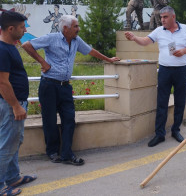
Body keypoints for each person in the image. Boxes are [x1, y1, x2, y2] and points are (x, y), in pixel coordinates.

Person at [22, 15, 120, 166]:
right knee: (50, 120)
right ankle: (53, 152)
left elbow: (91, 51)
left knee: (69, 119)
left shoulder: (76, 40)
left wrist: (109, 59)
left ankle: (67, 153)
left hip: (65, 87)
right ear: (66, 28)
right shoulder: (52, 38)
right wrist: (42, 62)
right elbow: (26, 45)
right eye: (76, 26)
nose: (78, 29)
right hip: (49, 85)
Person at [125, 6, 186, 147]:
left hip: (181, 70)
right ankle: (160, 134)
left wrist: (184, 51)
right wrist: (134, 38)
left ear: (173, 17)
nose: (162, 20)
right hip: (165, 70)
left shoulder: (185, 29)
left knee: (180, 101)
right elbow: (146, 41)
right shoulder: (159, 31)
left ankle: (176, 130)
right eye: (161, 17)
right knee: (162, 102)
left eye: (165, 17)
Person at [0, 11, 37, 196]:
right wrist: (15, 106)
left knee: (14, 142)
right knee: (7, 145)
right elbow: (2, 82)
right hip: (10, 105)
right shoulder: (2, 50)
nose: (25, 30)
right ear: (11, 28)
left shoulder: (9, 46)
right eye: (22, 27)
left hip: (13, 103)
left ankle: (13, 177)